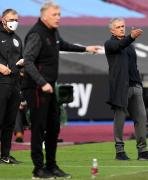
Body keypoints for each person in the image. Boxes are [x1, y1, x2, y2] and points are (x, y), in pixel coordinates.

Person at [22, 2, 101, 179]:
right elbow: (27, 61)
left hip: (49, 88)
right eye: (55, 14)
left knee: (53, 127)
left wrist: (85, 49)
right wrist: (42, 83)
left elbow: (62, 44)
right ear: (44, 16)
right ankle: (38, 169)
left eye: (59, 14)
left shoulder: (53, 32)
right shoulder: (36, 33)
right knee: (38, 128)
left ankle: (52, 166)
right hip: (36, 88)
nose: (58, 17)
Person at [104, 18, 148, 161]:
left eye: (123, 26)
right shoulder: (110, 44)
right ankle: (120, 151)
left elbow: (133, 65)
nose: (122, 28)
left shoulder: (130, 46)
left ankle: (143, 152)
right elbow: (119, 46)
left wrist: (139, 84)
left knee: (141, 118)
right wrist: (131, 37)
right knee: (120, 120)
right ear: (112, 30)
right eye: (118, 27)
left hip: (135, 86)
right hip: (121, 88)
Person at [0, 9, 23, 164]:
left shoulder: (17, 39)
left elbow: (21, 58)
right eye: (11, 19)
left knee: (9, 122)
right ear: (3, 19)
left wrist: (24, 63)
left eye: (16, 20)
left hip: (15, 84)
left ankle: (5, 155)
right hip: (1, 82)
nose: (14, 22)